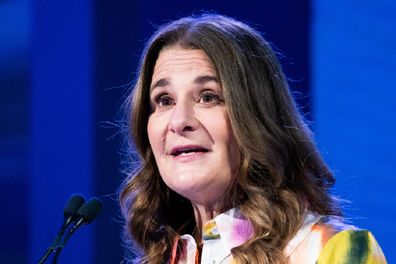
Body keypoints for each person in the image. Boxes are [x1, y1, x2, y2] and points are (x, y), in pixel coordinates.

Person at [119, 13, 387, 264]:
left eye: (208, 97)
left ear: (256, 117)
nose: (179, 122)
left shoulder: (330, 251)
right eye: (164, 101)